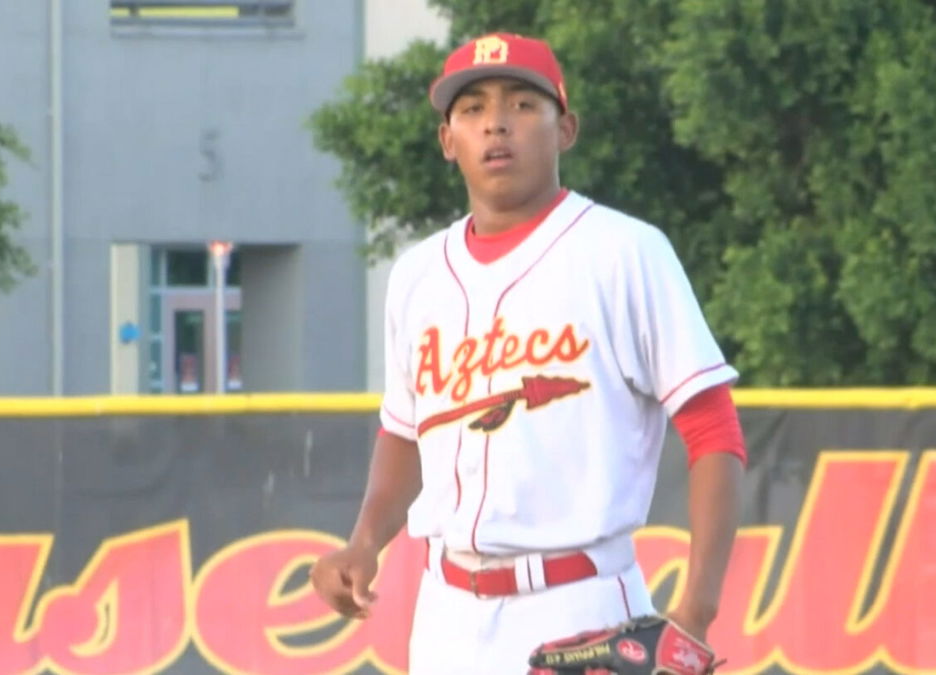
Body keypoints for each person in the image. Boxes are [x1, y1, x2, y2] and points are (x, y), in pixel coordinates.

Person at [310, 32, 747, 674]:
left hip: (584, 605)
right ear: (447, 140)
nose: (496, 122)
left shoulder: (624, 252)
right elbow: (406, 432)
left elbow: (713, 428)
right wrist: (364, 541)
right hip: (446, 618)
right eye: (473, 107)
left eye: (522, 104)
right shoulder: (417, 275)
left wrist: (697, 610)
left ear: (565, 128)